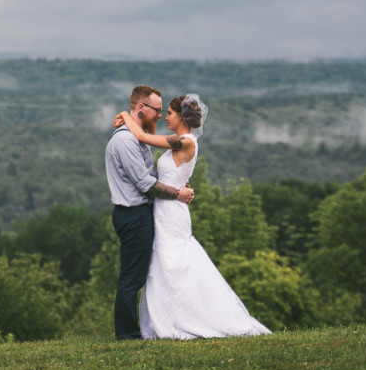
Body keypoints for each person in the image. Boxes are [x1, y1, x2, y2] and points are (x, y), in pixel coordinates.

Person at [114, 94, 271, 339]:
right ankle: (166, 318)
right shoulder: (181, 141)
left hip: (172, 210)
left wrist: (125, 115)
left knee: (175, 262)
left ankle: (186, 317)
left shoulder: (185, 141)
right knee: (163, 263)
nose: (165, 116)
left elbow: (143, 137)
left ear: (181, 117)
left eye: (169, 113)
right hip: (164, 208)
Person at [106, 85, 194, 340]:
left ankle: (154, 325)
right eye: (157, 110)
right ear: (142, 108)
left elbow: (153, 169)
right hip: (133, 215)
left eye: (164, 110)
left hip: (144, 214)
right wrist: (178, 194)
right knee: (132, 277)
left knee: (145, 274)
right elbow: (145, 183)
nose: (160, 115)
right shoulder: (125, 140)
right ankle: (127, 334)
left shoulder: (139, 135)